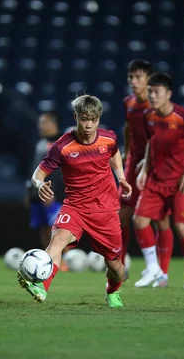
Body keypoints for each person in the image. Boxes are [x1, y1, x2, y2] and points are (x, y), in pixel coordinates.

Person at [18, 94, 132, 308]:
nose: (89, 125)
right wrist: (41, 185)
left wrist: (122, 177)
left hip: (105, 211)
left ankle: (112, 290)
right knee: (57, 242)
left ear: (99, 119)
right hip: (75, 207)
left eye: (93, 120)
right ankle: (41, 287)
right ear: (76, 117)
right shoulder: (62, 146)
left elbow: (115, 154)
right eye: (84, 119)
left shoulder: (109, 139)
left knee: (116, 268)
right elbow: (37, 174)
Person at [133, 72, 184, 289]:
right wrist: (144, 170)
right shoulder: (148, 115)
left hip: (180, 182)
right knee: (139, 220)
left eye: (157, 92)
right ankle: (153, 269)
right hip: (156, 180)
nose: (152, 96)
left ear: (168, 94)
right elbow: (152, 142)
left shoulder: (183, 117)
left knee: (181, 226)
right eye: (150, 92)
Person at [120, 59, 172, 287]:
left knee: (161, 221)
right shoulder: (128, 102)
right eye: (131, 77)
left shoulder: (157, 107)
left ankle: (162, 273)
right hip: (133, 165)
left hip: (155, 167)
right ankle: (119, 268)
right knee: (121, 215)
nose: (133, 82)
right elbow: (128, 128)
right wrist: (127, 152)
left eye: (138, 77)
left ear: (149, 79)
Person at [24, 111, 69, 271]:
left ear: (53, 124)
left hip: (52, 195)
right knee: (43, 228)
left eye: (43, 123)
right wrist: (29, 191)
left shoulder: (62, 143)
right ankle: (49, 259)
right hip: (37, 194)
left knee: (56, 229)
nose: (39, 126)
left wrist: (53, 193)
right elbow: (34, 170)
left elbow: (59, 172)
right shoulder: (40, 144)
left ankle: (62, 260)